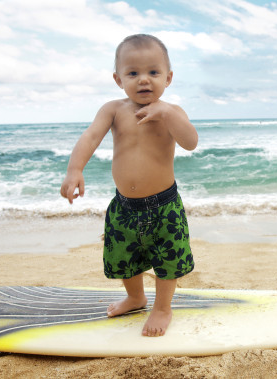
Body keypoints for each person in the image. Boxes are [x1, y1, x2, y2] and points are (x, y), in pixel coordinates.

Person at [60, 34, 198, 337]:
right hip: (124, 206)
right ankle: (136, 298)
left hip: (165, 207)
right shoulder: (113, 110)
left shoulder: (173, 112)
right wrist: (74, 169)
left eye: (153, 72)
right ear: (118, 79)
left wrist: (168, 114)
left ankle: (162, 308)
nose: (144, 80)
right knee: (125, 257)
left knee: (168, 260)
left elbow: (190, 142)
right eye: (133, 73)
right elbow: (91, 136)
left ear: (168, 77)